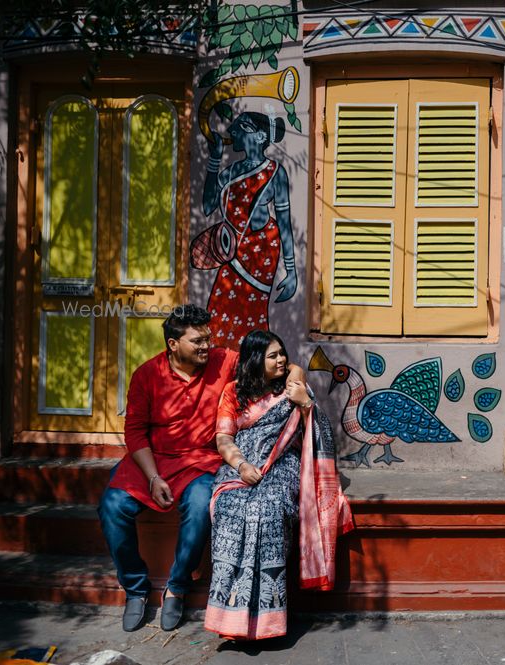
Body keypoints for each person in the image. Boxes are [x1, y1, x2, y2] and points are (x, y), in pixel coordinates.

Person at [98, 305, 306, 633]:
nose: (206, 346)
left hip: (200, 461)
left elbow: (275, 362)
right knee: (111, 507)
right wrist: (152, 477)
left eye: (208, 338)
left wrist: (296, 379)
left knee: (199, 508)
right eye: (197, 341)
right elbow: (135, 432)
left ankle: (177, 587)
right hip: (153, 461)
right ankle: (135, 587)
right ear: (173, 345)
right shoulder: (146, 375)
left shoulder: (223, 360)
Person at [205, 331, 353, 641]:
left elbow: (321, 433)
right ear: (255, 360)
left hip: (283, 464)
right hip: (241, 465)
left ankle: (267, 619)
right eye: (272, 356)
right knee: (232, 508)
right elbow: (223, 438)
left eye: (282, 353)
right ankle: (231, 618)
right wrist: (242, 465)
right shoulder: (233, 392)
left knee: (268, 509)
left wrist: (306, 405)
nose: (281, 360)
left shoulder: (292, 388)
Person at [202, 110, 298, 349]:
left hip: (260, 253)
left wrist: (292, 270)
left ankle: (249, 374)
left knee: (252, 319)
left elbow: (285, 222)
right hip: (231, 253)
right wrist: (214, 161)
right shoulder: (231, 172)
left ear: (256, 135)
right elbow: (207, 206)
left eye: (239, 128)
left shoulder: (275, 172)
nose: (232, 132)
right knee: (219, 314)